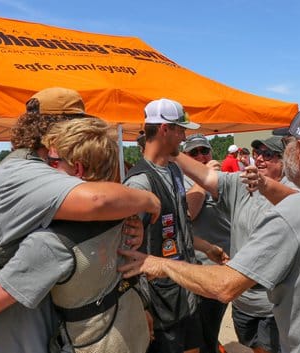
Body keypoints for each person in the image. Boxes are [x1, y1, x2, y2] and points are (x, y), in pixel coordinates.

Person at [119, 107, 300, 353]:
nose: (264, 155)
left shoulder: (295, 212)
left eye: (282, 147)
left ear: (299, 150)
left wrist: (158, 264)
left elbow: (224, 285)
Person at [0, 87, 160, 353]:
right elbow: (98, 199)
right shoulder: (25, 169)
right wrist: (148, 200)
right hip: (24, 335)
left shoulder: (42, 168)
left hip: (58, 332)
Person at [174, 134, 295, 353]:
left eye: (269, 155)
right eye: (257, 153)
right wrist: (170, 150)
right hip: (240, 299)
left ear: (285, 161)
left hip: (271, 302)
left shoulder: (292, 192)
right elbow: (206, 180)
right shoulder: (241, 183)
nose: (260, 159)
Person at [124, 98, 204, 353]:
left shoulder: (175, 171)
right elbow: (127, 252)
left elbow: (180, 226)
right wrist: (142, 306)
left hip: (186, 291)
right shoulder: (138, 184)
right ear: (163, 129)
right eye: (180, 129)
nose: (183, 137)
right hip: (160, 302)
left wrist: (206, 247)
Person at [181, 134, 231, 353]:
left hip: (226, 263)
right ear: (185, 156)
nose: (200, 156)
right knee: (202, 331)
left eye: (204, 151)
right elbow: (188, 214)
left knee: (212, 326)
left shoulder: (225, 177)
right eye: (194, 153)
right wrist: (204, 179)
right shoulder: (182, 180)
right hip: (200, 266)